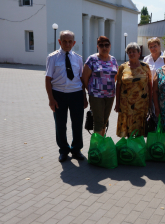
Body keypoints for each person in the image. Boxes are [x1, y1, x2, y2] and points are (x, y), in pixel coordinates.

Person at [45, 30, 88, 162]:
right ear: (60, 42)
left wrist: (84, 97)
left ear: (74, 43)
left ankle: (76, 149)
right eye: (65, 41)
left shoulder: (78, 58)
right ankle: (63, 150)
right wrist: (51, 99)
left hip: (76, 95)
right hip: (59, 95)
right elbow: (48, 79)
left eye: (70, 41)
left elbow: (81, 79)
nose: (67, 44)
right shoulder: (52, 57)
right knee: (60, 124)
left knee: (77, 123)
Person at [82, 36, 118, 136]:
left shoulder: (113, 60)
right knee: (98, 122)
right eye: (101, 45)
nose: (104, 47)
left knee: (104, 122)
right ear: (97, 47)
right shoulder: (92, 59)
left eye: (106, 45)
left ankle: (101, 145)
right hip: (96, 96)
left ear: (110, 46)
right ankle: (96, 148)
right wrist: (90, 91)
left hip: (110, 95)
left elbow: (115, 77)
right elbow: (84, 78)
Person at [115, 42, 152, 137]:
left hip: (141, 104)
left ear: (139, 53)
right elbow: (118, 86)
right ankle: (129, 148)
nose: (131, 54)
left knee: (139, 127)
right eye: (129, 52)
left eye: (134, 51)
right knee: (127, 127)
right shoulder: (123, 67)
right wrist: (117, 103)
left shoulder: (145, 67)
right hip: (126, 105)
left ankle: (138, 148)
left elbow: (150, 85)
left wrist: (150, 102)